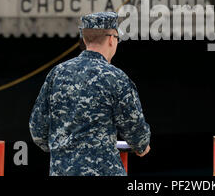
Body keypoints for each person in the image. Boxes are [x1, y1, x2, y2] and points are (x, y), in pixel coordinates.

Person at [29, 12, 151, 176]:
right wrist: (142, 146)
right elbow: (135, 129)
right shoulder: (116, 77)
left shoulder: (56, 74)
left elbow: (37, 130)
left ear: (85, 39)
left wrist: (62, 149)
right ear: (111, 39)